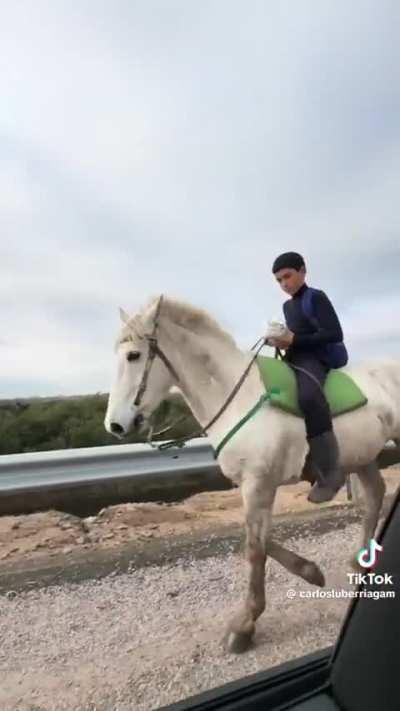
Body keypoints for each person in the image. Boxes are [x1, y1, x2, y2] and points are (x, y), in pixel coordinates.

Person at [268, 251, 346, 503]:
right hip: (297, 357)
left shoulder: (316, 297)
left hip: (319, 358)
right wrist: (280, 343)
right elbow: (295, 338)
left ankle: (331, 474)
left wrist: (294, 340)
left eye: (287, 276)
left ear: (302, 271)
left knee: (309, 397)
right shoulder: (287, 306)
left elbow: (334, 333)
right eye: (279, 280)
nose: (284, 284)